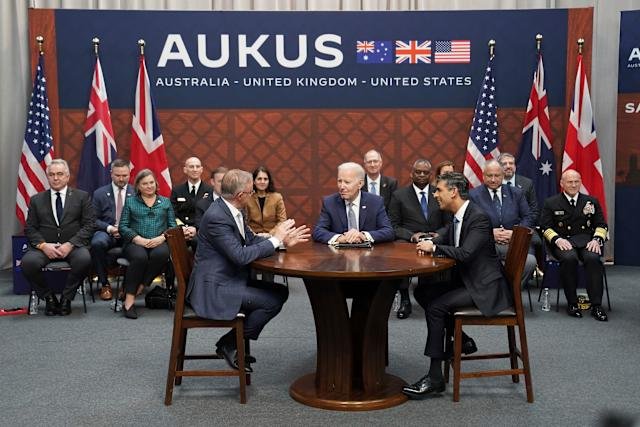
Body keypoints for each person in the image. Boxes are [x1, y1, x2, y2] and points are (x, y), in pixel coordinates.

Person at [187, 169, 310, 371]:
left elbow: (251, 241)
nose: (253, 195)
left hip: (228, 278)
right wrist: (275, 239)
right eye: (251, 192)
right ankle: (230, 343)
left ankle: (231, 342)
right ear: (240, 195)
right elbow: (240, 256)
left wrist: (281, 242)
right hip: (214, 287)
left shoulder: (233, 210)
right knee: (271, 301)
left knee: (280, 291)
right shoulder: (217, 217)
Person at [403, 172, 511, 399]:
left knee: (436, 308)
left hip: (484, 287)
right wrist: (431, 241)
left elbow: (466, 253)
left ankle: (435, 378)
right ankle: (462, 340)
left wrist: (434, 249)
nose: (435, 195)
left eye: (439, 190)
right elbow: (446, 237)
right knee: (422, 291)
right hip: (467, 281)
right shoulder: (459, 216)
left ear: (453, 192)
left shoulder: (478, 218)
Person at [22, 159, 95, 316]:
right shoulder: (36, 199)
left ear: (67, 176)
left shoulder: (81, 197)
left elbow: (89, 225)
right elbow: (30, 228)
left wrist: (70, 244)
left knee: (84, 259)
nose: (56, 178)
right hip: (44, 247)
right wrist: (43, 245)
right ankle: (49, 298)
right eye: (52, 174)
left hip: (73, 247)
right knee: (28, 263)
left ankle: (66, 299)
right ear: (47, 176)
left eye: (60, 174)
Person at [540, 169, 608, 321]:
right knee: (569, 259)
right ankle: (572, 303)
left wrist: (596, 239)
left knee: (593, 259)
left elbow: (601, 225)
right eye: (570, 182)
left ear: (580, 182)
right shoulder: (551, 202)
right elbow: (545, 227)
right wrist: (557, 239)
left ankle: (596, 305)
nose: (573, 185)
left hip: (586, 241)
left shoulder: (591, 201)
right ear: (562, 183)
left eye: (576, 181)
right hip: (563, 242)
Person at [388, 159, 450, 319]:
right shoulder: (399, 195)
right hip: (409, 241)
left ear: (431, 175)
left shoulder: (440, 193)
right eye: (418, 172)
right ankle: (405, 300)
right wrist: (411, 235)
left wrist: (439, 234)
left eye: (425, 172)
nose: (422, 175)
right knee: (399, 252)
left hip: (435, 240)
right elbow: (393, 225)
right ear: (411, 174)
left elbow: (449, 223)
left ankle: (432, 298)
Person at [118, 169, 178, 319]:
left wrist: (162, 238)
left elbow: (172, 226)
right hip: (136, 242)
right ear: (138, 186)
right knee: (140, 258)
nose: (149, 186)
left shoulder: (165, 202)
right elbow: (123, 226)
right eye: (145, 183)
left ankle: (141, 285)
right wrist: (137, 239)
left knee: (162, 254)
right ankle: (129, 301)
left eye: (151, 182)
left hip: (159, 241)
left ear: (156, 184)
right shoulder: (131, 202)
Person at [469, 159, 537, 286]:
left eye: (497, 176)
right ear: (483, 176)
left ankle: (510, 292)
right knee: (485, 265)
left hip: (513, 243)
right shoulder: (473, 195)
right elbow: (470, 223)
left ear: (503, 176)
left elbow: (528, 217)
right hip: (487, 245)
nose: (493, 179)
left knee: (530, 262)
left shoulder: (516, 193)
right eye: (489, 175)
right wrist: (490, 233)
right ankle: (503, 293)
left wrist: (515, 233)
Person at [312, 162, 394, 244]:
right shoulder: (330, 202)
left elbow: (388, 231)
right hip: (338, 251)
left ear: (360, 184)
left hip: (368, 251)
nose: (342, 186)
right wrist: (340, 238)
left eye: (347, 182)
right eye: (339, 181)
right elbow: (318, 231)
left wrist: (363, 236)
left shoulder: (375, 202)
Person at [90, 159, 134, 300]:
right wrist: (109, 228)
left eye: (124, 175)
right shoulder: (99, 193)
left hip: (129, 232)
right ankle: (104, 284)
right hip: (106, 232)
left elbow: (141, 218)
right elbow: (92, 220)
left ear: (129, 174)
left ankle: (127, 285)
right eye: (117, 175)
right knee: (97, 243)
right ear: (111, 174)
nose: (121, 179)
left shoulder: (136, 193)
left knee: (137, 246)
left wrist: (124, 229)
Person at [170, 157, 212, 241]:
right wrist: (182, 228)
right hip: (181, 231)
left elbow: (210, 215)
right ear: (185, 170)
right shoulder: (177, 190)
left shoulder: (210, 191)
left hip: (201, 231)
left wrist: (196, 228)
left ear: (201, 170)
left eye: (197, 166)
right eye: (191, 167)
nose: (195, 169)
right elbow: (172, 213)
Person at [246, 166, 287, 235]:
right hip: (253, 236)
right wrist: (253, 235)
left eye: (265, 179)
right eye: (259, 179)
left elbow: (282, 221)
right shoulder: (248, 198)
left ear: (269, 181)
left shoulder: (277, 197)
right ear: (254, 181)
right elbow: (244, 222)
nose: (262, 182)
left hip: (273, 236)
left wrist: (271, 234)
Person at [498, 152, 539, 220]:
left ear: (515, 166)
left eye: (511, 163)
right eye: (504, 164)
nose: (508, 166)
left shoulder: (527, 183)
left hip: (523, 224)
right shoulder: (494, 183)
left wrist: (523, 225)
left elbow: (534, 211)